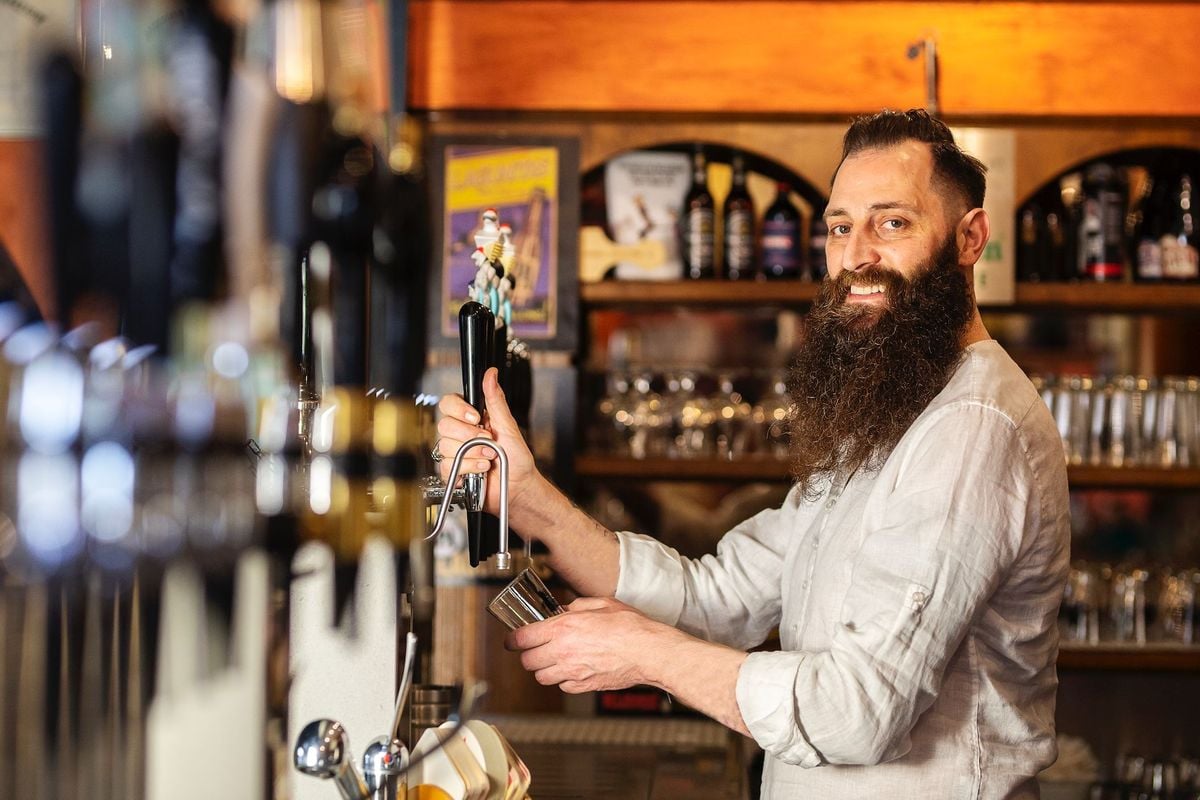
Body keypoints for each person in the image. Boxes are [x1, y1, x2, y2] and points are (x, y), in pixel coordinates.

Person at [435, 109, 1070, 799]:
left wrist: (645, 654)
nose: (856, 255)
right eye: (839, 226)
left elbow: (860, 713)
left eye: (893, 223)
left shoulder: (973, 425)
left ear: (969, 237)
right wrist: (528, 501)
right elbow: (721, 596)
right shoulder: (893, 412)